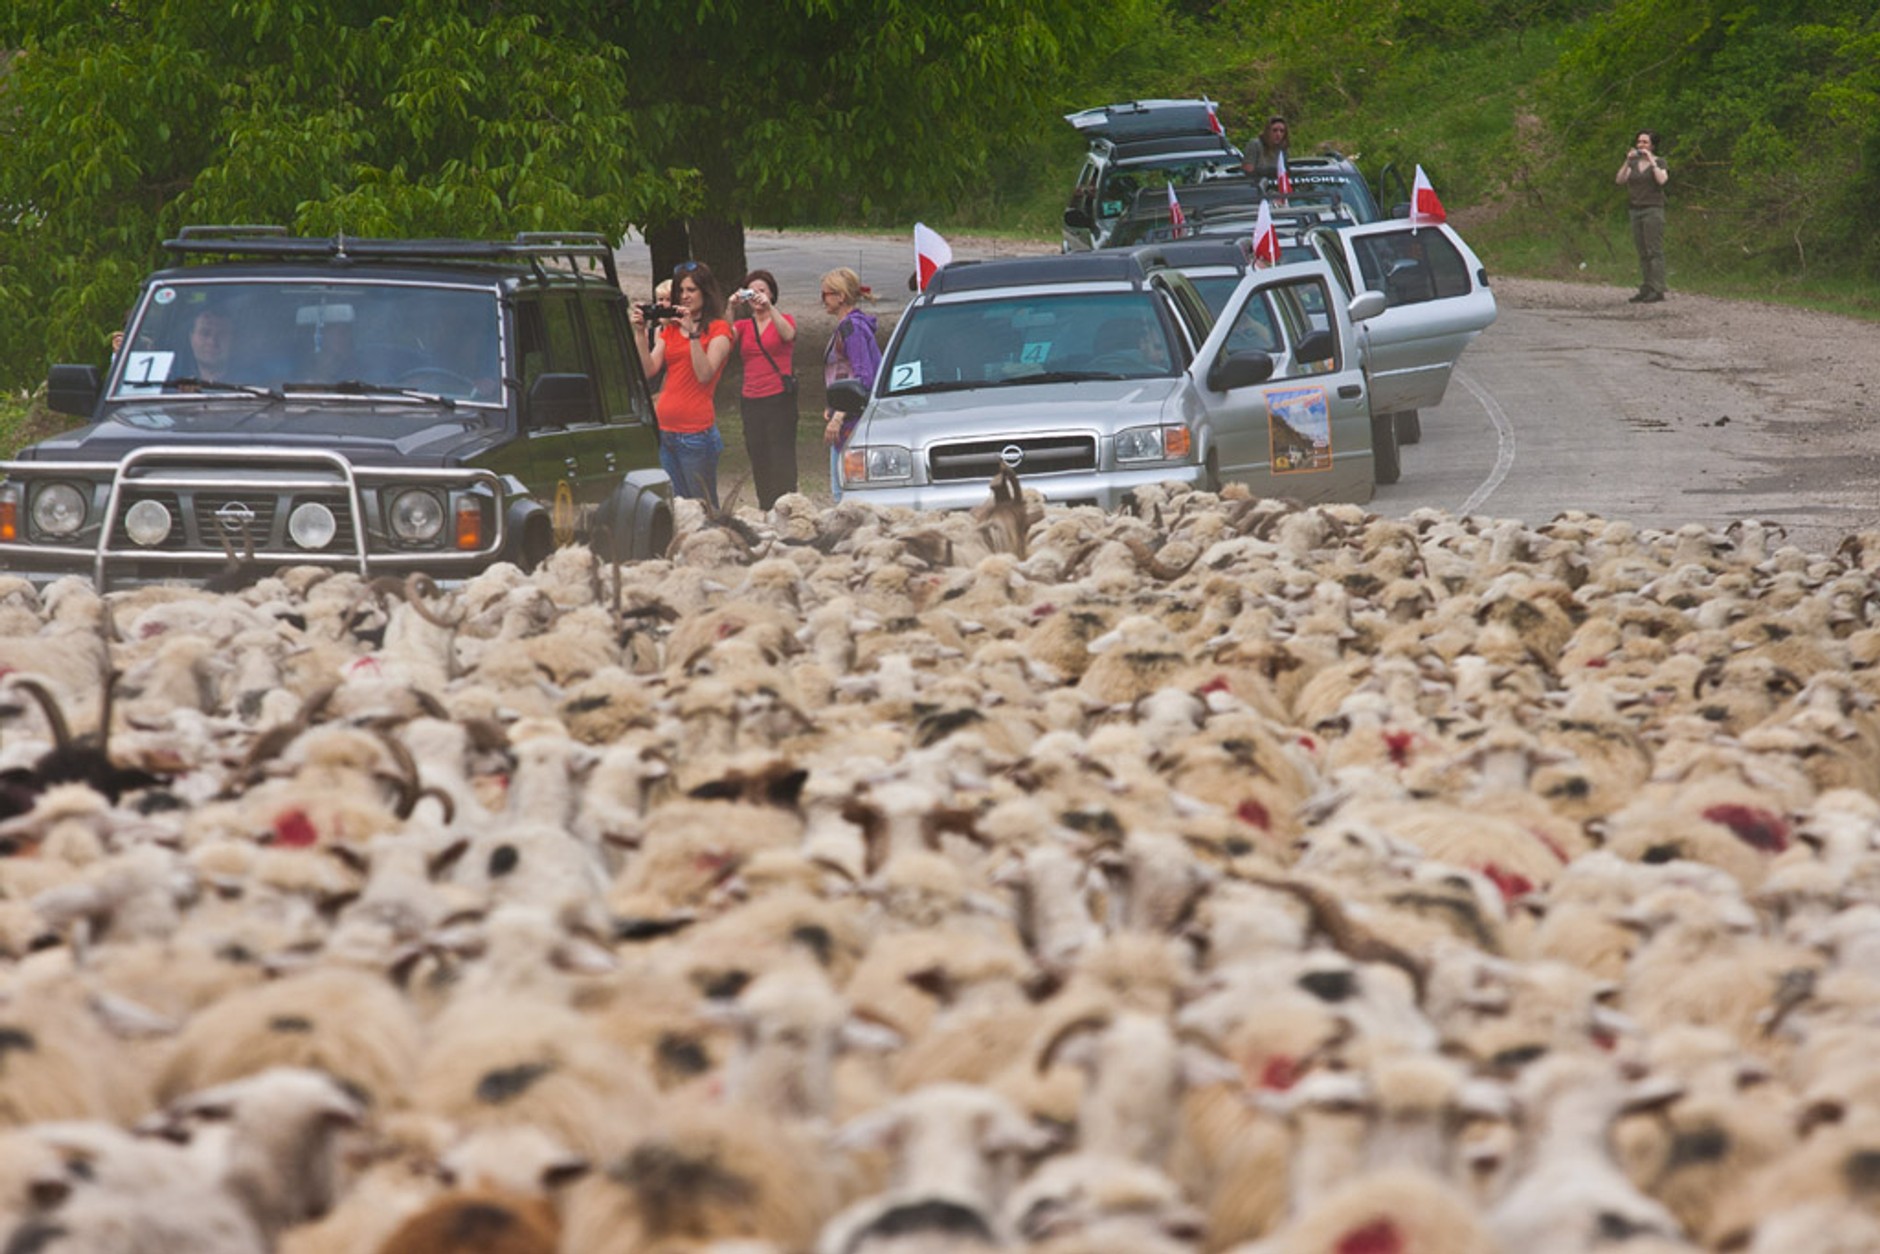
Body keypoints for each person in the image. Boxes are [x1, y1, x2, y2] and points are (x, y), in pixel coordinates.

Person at [631, 260, 732, 508]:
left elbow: (704, 374)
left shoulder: (719, 330)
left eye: (691, 290)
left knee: (703, 505)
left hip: (695, 433)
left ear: (705, 293)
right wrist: (639, 334)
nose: (685, 297)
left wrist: (694, 335)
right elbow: (648, 370)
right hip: (666, 430)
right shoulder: (672, 330)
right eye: (681, 291)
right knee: (678, 506)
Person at [729, 269, 799, 510]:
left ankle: (787, 505)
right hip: (751, 398)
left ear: (772, 294)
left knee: (782, 457)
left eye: (762, 291)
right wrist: (730, 307)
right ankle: (766, 506)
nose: (757, 296)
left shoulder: (784, 318)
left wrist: (770, 308)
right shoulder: (743, 326)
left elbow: (788, 334)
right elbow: (721, 339)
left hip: (779, 397)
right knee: (759, 456)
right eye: (753, 292)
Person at [819, 268, 881, 502]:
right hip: (848, 415)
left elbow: (864, 377)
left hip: (852, 423)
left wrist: (839, 416)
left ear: (840, 296)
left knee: (846, 495)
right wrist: (832, 404)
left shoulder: (851, 329)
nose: (822, 300)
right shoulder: (853, 325)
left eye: (825, 294)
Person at [1616, 130, 1669, 304]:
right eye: (1639, 142)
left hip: (1652, 209)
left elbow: (1662, 180)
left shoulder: (1660, 161)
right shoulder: (1633, 164)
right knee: (1642, 251)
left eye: (1645, 142)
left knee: (1654, 250)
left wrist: (1651, 160)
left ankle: (1658, 288)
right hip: (1635, 209)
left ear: (1652, 145)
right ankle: (1646, 287)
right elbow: (1620, 180)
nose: (1641, 145)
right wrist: (1627, 160)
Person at [1242, 116, 1291, 181]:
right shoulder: (1255, 145)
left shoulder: (1282, 149)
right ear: (1268, 131)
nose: (1278, 134)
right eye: (1275, 130)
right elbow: (1248, 170)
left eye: (1282, 131)